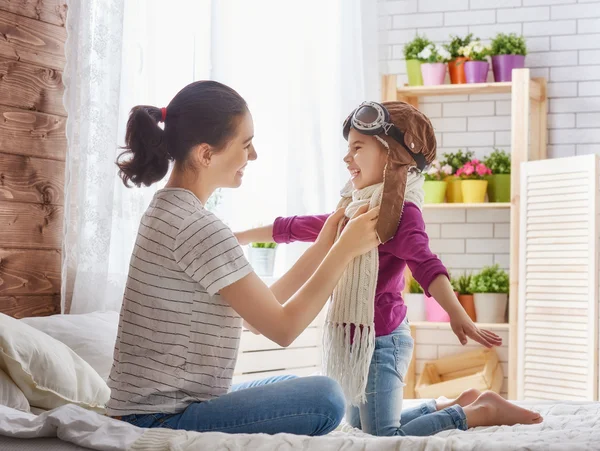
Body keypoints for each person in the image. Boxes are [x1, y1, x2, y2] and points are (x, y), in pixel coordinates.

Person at [236, 100, 543, 436]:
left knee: (383, 439)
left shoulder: (401, 214)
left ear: (392, 155)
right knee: (362, 429)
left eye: (357, 148)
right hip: (358, 342)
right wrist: (237, 235)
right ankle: (456, 404)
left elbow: (426, 264)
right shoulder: (355, 211)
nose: (346, 157)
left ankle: (478, 411)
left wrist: (457, 313)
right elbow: (297, 227)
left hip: (382, 343)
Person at [106, 80, 381, 436]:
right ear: (206, 154)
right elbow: (283, 329)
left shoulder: (167, 210)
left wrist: (325, 245)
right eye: (246, 144)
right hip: (161, 419)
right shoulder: (197, 227)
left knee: (291, 383)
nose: (253, 156)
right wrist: (344, 252)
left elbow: (256, 315)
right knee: (326, 397)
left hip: (162, 408)